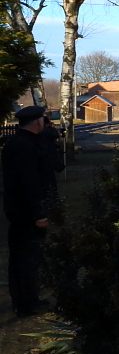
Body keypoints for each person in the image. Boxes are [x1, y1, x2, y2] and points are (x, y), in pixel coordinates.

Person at [2, 105, 58, 316]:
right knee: (28, 259)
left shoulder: (19, 143)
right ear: (37, 122)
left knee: (22, 258)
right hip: (27, 214)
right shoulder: (25, 146)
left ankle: (24, 300)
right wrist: (39, 213)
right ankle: (27, 303)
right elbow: (30, 183)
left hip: (20, 211)